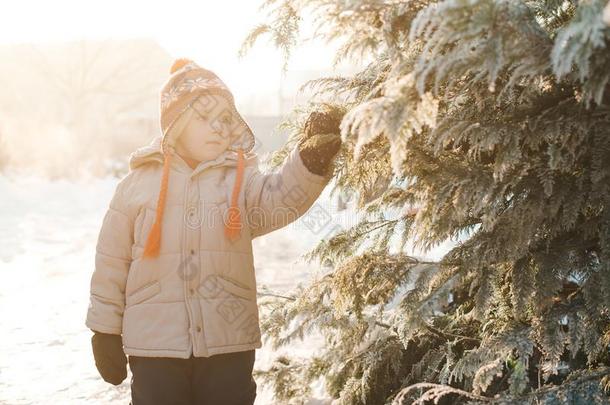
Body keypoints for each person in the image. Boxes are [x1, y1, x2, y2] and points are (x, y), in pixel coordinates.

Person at [85, 57, 343, 404]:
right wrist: (104, 330)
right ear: (176, 123)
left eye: (225, 119)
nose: (219, 127)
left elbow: (282, 197)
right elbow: (111, 262)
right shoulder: (137, 186)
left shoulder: (240, 181)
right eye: (205, 118)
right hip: (156, 344)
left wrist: (310, 159)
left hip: (228, 340)